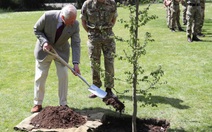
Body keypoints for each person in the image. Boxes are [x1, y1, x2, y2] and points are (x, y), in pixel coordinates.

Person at [31, 4, 81, 113]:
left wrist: (76, 63)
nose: (73, 23)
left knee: (63, 76)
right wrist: (44, 42)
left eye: (74, 20)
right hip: (44, 51)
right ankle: (37, 103)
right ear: (63, 18)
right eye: (71, 20)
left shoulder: (75, 25)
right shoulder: (48, 16)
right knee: (40, 76)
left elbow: (76, 43)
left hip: (61, 52)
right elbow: (37, 29)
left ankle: (63, 104)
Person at [80, 0, 117, 98]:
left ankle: (109, 89)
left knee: (109, 63)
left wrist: (107, 29)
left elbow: (114, 19)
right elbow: (83, 21)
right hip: (94, 38)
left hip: (108, 38)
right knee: (94, 64)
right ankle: (96, 89)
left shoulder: (112, 3)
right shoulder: (88, 4)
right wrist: (91, 33)